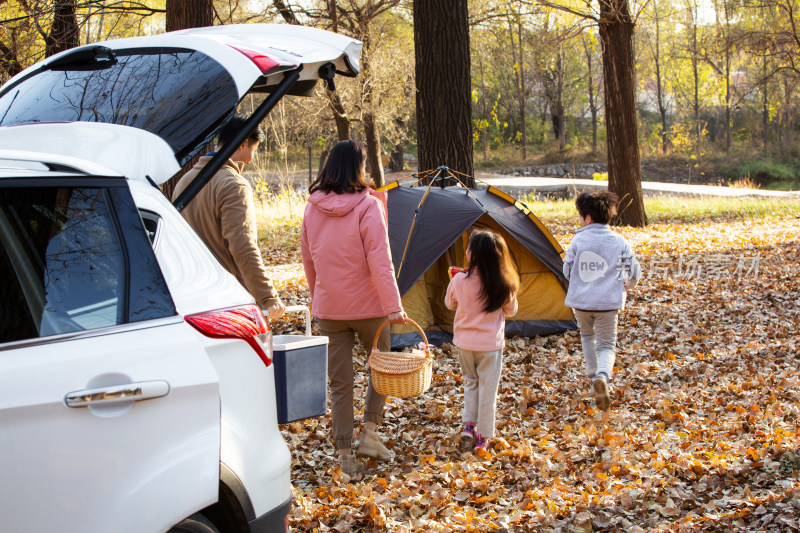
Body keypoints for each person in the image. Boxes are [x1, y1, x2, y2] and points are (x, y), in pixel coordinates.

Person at [301, 140, 407, 475]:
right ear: (358, 167)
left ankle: (345, 453)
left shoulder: (311, 207)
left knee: (340, 382)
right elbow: (380, 260)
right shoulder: (368, 205)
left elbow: (309, 259)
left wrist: (319, 294)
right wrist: (394, 307)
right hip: (371, 308)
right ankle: (370, 434)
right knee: (382, 370)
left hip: (330, 307)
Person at [172, 116, 285, 321]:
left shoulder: (184, 182)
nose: (252, 158)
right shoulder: (234, 185)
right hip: (227, 297)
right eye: (254, 149)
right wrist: (268, 296)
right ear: (243, 143)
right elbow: (243, 246)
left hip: (189, 295)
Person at [562, 191, 641, 411]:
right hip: (608, 303)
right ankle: (603, 377)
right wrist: (627, 284)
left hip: (582, 303)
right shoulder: (619, 241)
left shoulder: (578, 240)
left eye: (581, 216)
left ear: (587, 217)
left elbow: (566, 270)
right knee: (607, 345)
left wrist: (580, 280)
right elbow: (634, 272)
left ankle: (592, 378)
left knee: (587, 337)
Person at [445, 229, 518, 453]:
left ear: (471, 255)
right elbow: (512, 310)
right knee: (488, 390)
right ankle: (483, 436)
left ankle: (469, 425)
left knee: (470, 383)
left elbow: (449, 305)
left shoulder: (458, 280)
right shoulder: (503, 283)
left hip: (465, 344)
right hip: (490, 347)